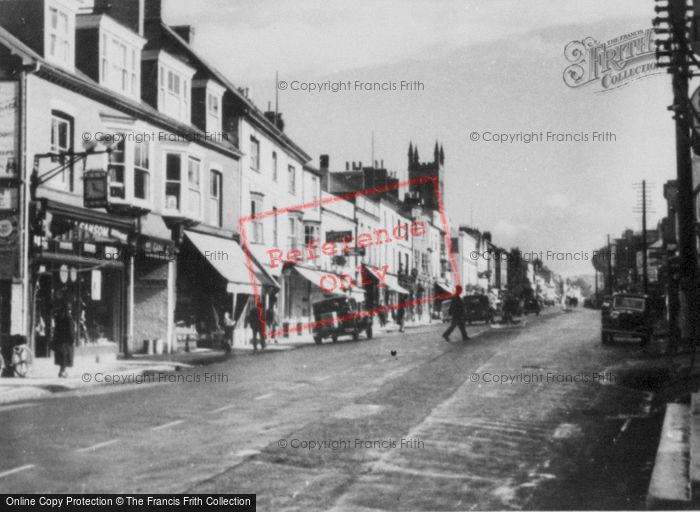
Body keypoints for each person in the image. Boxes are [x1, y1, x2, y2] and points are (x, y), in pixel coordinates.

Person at [52, 303, 75, 378]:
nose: (70, 311)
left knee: (62, 356)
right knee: (65, 356)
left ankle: (61, 371)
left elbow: (56, 329)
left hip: (59, 340)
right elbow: (71, 331)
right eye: (69, 310)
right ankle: (63, 371)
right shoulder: (69, 319)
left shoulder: (59, 318)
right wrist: (72, 340)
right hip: (66, 341)